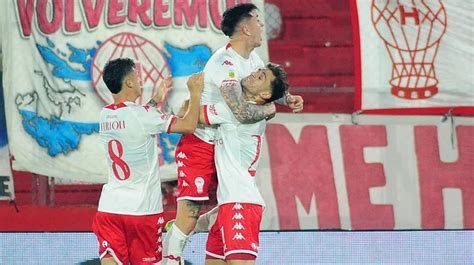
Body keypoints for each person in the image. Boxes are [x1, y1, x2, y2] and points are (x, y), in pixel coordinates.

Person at [162, 4, 304, 264]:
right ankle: (171, 257)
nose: (263, 26)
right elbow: (239, 110)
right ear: (246, 28)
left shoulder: (254, 62)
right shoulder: (223, 62)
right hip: (201, 140)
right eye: (258, 21)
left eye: (260, 77)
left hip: (223, 146)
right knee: (191, 209)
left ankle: (209, 220)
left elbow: (262, 94)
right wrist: (273, 106)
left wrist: (286, 98)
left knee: (221, 199)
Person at [92, 58, 204, 265]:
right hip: (142, 211)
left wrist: (156, 99)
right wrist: (195, 92)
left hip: (109, 208)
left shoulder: (105, 114)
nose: (140, 80)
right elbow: (188, 125)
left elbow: (138, 117)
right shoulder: (143, 116)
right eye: (137, 76)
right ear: (129, 83)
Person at [203, 63, 289, 264]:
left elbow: (189, 117)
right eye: (256, 72)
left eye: (261, 77)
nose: (253, 75)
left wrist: (196, 89)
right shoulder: (248, 110)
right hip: (227, 204)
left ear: (266, 94)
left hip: (241, 202)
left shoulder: (234, 112)